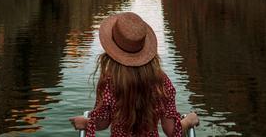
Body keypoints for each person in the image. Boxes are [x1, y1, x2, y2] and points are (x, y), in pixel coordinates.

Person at [69, 12, 200, 136]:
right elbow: (171, 131)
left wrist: (87, 122)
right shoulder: (161, 82)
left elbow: (102, 122)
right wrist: (188, 121)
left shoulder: (108, 82)